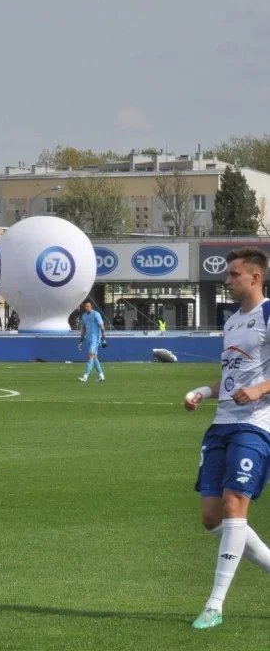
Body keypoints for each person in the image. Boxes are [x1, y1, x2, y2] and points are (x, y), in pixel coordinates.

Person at [184, 247, 270, 630]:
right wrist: (203, 390)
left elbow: (254, 386)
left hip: (257, 423)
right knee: (211, 517)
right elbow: (234, 379)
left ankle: (215, 605)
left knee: (236, 505)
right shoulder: (233, 322)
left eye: (234, 275)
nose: (228, 281)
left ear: (255, 277)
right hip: (222, 423)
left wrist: (260, 390)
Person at [78, 300, 106, 383]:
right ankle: (101, 375)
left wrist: (104, 339)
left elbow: (102, 326)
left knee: (91, 355)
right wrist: (81, 340)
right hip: (88, 339)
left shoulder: (96, 314)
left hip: (95, 339)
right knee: (94, 357)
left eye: (88, 306)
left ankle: (85, 376)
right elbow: (83, 328)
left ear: (91, 306)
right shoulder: (84, 316)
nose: (86, 308)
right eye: (85, 307)